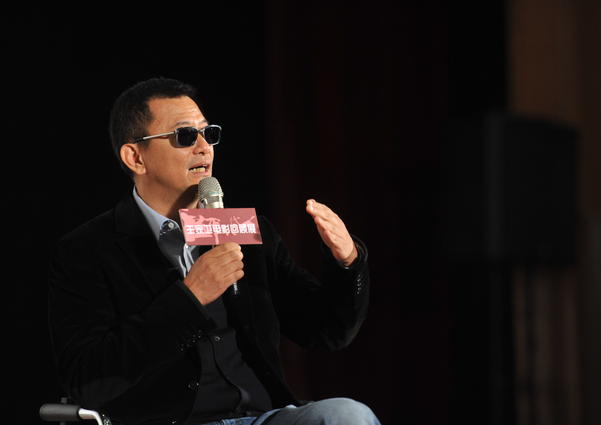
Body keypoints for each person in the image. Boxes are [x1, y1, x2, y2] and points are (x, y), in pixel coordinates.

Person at [47, 77, 380, 425]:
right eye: (185, 136)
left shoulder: (246, 230)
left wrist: (348, 262)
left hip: (261, 417)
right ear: (136, 157)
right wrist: (189, 298)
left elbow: (326, 330)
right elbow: (86, 378)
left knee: (346, 415)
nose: (204, 147)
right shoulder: (87, 250)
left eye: (209, 134)